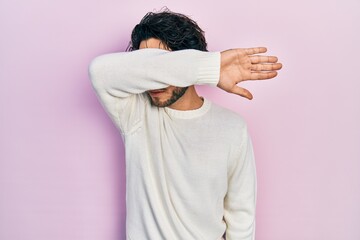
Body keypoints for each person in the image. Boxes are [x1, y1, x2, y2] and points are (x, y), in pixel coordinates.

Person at [89, 9, 282, 240]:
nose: (155, 81)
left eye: (165, 65)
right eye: (150, 67)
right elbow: (99, 71)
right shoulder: (135, 115)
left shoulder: (232, 128)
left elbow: (241, 218)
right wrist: (211, 67)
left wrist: (193, 68)